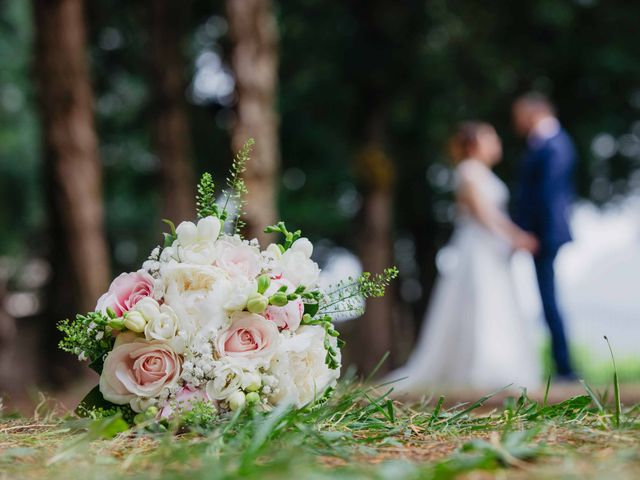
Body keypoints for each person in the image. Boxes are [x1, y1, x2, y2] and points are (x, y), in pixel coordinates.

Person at [387, 122, 540, 393]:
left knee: (496, 305)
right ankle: (481, 367)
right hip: (477, 247)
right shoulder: (468, 172)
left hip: (492, 248)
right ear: (474, 144)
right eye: (490, 139)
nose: (496, 144)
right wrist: (515, 237)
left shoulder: (483, 173)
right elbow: (484, 214)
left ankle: (502, 365)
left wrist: (510, 238)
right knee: (479, 302)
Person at [512, 93, 577, 381]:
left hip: (544, 234)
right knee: (547, 298)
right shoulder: (546, 143)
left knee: (549, 300)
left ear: (532, 113)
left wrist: (532, 234)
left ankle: (565, 367)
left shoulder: (554, 144)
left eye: (518, 117)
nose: (516, 124)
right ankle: (562, 365)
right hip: (541, 233)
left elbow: (547, 196)